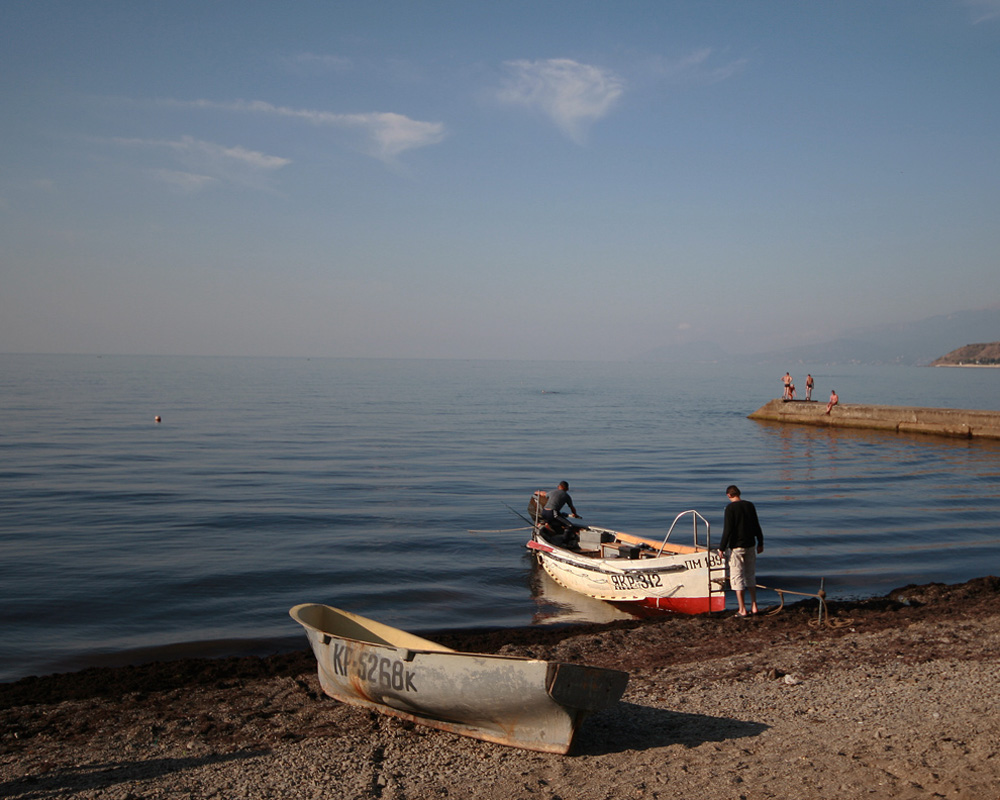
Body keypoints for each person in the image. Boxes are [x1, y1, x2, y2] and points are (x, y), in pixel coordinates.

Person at [717, 485, 764, 617]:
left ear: (728, 495)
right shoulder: (750, 505)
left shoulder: (730, 509)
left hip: (736, 547)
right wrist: (760, 542)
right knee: (750, 575)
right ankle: (754, 606)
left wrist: (721, 547)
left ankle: (742, 609)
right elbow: (756, 525)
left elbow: (728, 530)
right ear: (739, 493)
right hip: (750, 545)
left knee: (737, 577)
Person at [540, 481, 581, 547]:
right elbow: (572, 508)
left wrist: (537, 492)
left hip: (544, 512)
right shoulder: (566, 496)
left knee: (560, 517)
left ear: (558, 487)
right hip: (552, 513)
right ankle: (564, 542)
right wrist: (575, 514)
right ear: (567, 489)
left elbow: (543, 494)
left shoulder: (552, 492)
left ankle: (549, 525)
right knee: (570, 526)